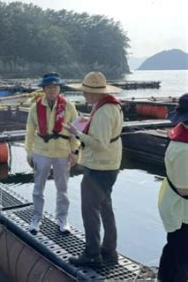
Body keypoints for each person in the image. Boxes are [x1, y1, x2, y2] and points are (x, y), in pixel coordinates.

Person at [63, 71, 123, 267]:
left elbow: (99, 144)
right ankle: (109, 250)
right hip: (110, 165)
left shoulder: (104, 111)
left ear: (94, 93)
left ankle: (92, 254)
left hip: (99, 166)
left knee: (90, 211)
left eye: (86, 92)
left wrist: (77, 133)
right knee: (106, 207)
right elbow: (104, 133)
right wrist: (89, 122)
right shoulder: (110, 106)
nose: (84, 95)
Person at [25, 72, 80, 234]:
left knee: (62, 188)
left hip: (62, 151)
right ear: (43, 89)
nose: (52, 90)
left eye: (55, 86)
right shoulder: (35, 108)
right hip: (41, 150)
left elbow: (75, 132)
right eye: (48, 87)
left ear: (59, 88)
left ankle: (62, 219)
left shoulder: (69, 107)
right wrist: (29, 152)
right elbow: (29, 132)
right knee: (38, 187)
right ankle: (36, 218)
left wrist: (75, 151)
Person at [157, 93, 188, 282]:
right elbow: (185, 190)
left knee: (173, 248)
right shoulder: (183, 149)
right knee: (182, 253)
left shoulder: (182, 135)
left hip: (173, 201)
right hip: (180, 209)